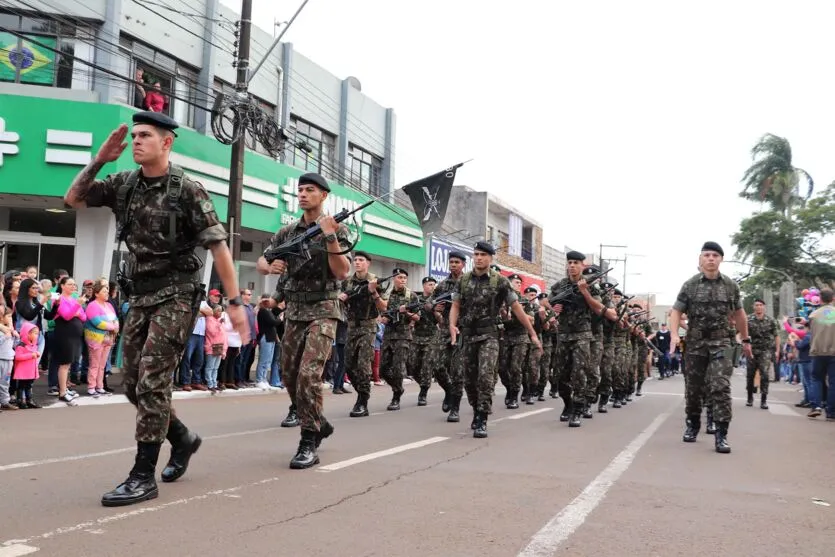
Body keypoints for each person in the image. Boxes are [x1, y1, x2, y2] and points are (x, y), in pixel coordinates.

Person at [64, 111, 249, 506]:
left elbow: (218, 246)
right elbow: (73, 199)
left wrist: (234, 303)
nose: (136, 142)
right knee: (132, 384)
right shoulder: (124, 184)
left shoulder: (187, 190)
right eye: (133, 136)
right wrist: (99, 160)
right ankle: (182, 438)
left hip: (178, 293)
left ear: (167, 143)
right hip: (141, 295)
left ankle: (142, 474)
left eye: (145, 135)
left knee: (152, 382)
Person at [257, 172, 351, 469]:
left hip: (324, 309)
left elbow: (342, 271)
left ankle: (308, 441)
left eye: (310, 190)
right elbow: (263, 260)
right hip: (294, 311)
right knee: (289, 375)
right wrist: (269, 266)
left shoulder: (337, 228)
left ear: (324, 196)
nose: (302, 195)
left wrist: (330, 236)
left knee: (309, 375)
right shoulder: (287, 232)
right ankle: (318, 421)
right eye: (300, 190)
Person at [449, 241, 542, 438]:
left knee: (485, 377)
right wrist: (452, 325)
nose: (479, 258)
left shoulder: (499, 282)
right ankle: (476, 409)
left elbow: (516, 308)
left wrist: (532, 333)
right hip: (469, 335)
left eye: (483, 254)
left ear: (490, 258)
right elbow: (455, 305)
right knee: (470, 380)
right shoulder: (464, 280)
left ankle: (482, 417)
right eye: (476, 254)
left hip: (490, 336)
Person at [669, 242, 751, 454]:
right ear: (700, 259)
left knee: (720, 385)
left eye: (715, 255)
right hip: (696, 343)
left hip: (722, 342)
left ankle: (721, 434)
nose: (711, 258)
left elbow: (740, 314)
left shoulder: (731, 286)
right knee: (694, 389)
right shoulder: (690, 285)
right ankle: (693, 424)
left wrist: (746, 339)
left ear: (721, 259)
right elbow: (676, 312)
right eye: (707, 255)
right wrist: (674, 334)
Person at [338, 251, 387, 417]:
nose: (357, 263)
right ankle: (360, 392)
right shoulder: (347, 283)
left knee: (363, 364)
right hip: (351, 327)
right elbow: (341, 307)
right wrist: (342, 300)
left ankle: (362, 401)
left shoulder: (376, 281)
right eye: (355, 260)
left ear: (368, 263)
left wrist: (373, 292)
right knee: (349, 365)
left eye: (361, 260)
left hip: (368, 326)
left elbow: (383, 307)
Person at [745, 298, 780, 410]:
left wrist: (777, 350)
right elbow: (742, 334)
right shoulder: (748, 319)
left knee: (764, 375)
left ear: (764, 307)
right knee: (750, 375)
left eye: (761, 305)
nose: (759, 307)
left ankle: (763, 400)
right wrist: (744, 345)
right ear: (753, 307)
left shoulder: (771, 320)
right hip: (752, 350)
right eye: (756, 305)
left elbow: (776, 336)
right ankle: (750, 398)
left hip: (766, 350)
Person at [807, 288, 835, 419]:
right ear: (833, 298)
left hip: (817, 352)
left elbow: (810, 334)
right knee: (833, 382)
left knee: (816, 379)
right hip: (833, 352)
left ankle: (816, 406)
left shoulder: (813, 315)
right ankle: (831, 411)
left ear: (821, 299)